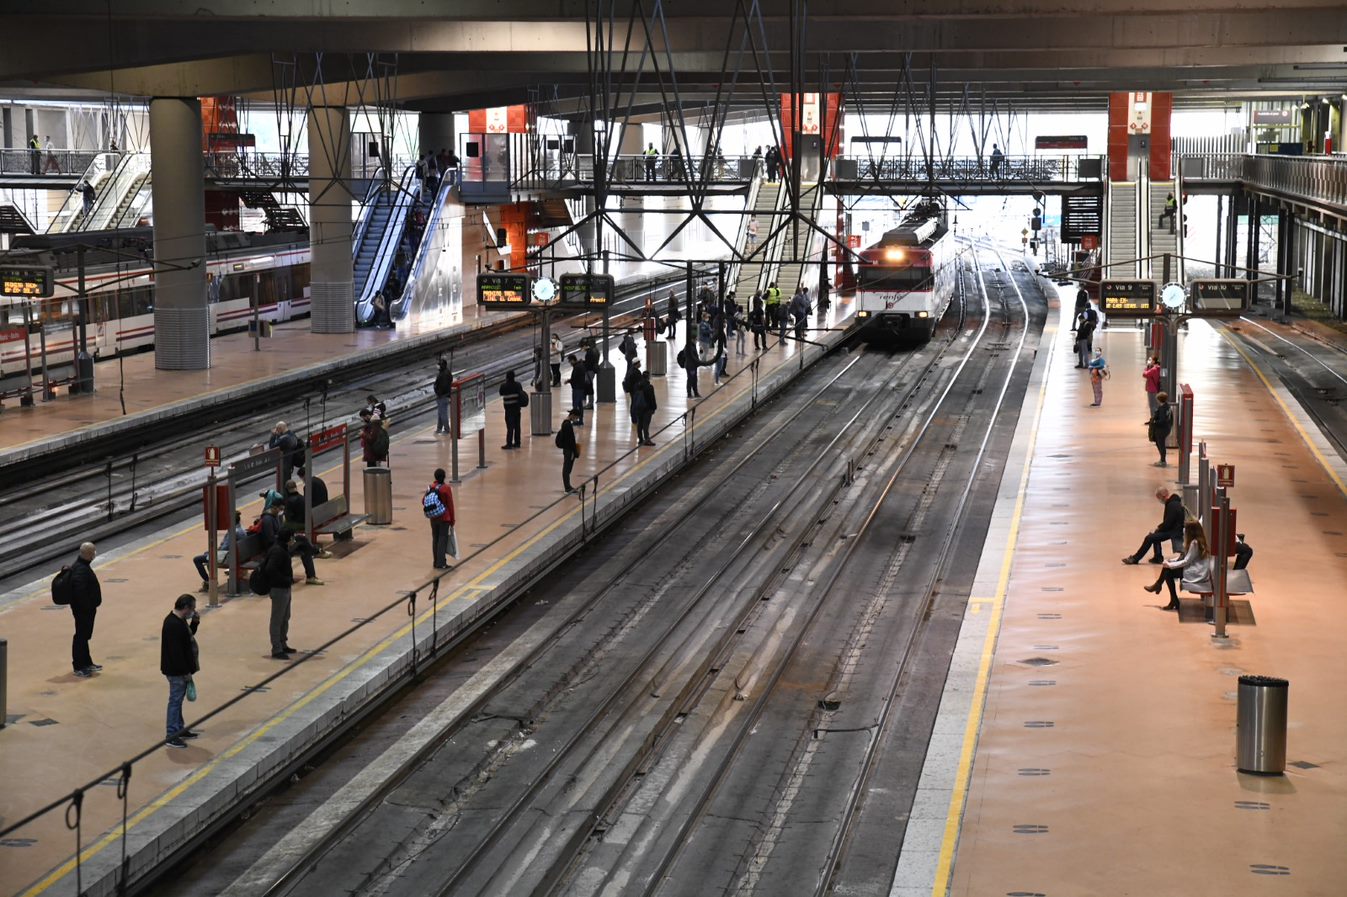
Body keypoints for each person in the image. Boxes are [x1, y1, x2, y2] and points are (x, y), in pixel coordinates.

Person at [161, 594, 201, 748]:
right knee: (175, 701)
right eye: (193, 608)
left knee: (178, 700)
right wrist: (186, 672)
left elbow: (187, 637)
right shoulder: (173, 625)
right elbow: (176, 653)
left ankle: (179, 729)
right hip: (176, 670)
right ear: (185, 608)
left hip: (179, 669)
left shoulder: (179, 621)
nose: (194, 611)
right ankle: (171, 734)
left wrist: (195, 623)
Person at [1144, 520, 1211, 611]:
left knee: (1168, 571)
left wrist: (1171, 565)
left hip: (1196, 573)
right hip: (1195, 569)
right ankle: (1170, 597)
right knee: (1167, 570)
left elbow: (1186, 561)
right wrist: (1171, 561)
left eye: (1186, 529)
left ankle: (1169, 596)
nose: (1184, 531)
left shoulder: (1194, 543)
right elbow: (1183, 557)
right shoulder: (1196, 541)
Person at [1122, 486, 1187, 565]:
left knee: (1149, 538)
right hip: (1174, 529)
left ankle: (1135, 558)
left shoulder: (1172, 505)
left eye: (1159, 498)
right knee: (1154, 535)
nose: (1159, 500)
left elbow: (1168, 523)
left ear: (1162, 496)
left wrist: (1158, 528)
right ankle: (1158, 557)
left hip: (1174, 531)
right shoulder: (1173, 502)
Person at [68, 542, 102, 678]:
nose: (94, 554)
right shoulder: (81, 569)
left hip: (85, 609)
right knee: (81, 637)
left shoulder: (82, 566)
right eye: (93, 552)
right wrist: (88, 606)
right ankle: (79, 666)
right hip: (83, 610)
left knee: (84, 636)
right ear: (88, 554)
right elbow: (79, 591)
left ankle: (87, 662)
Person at [264, 530, 299, 659]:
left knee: (285, 617)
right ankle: (276, 648)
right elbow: (270, 569)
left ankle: (283, 643)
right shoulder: (278, 551)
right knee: (277, 619)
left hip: (285, 588)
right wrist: (284, 579)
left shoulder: (282, 548)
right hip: (279, 589)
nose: (293, 540)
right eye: (292, 538)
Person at [194, 511, 245, 592]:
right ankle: (212, 580)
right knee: (206, 554)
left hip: (227, 557)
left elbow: (224, 547)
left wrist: (215, 550)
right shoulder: (241, 529)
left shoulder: (233, 532)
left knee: (197, 559)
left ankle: (209, 582)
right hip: (238, 555)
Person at [426, 468, 457, 569]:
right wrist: (452, 520)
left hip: (433, 518)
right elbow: (450, 505)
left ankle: (435, 562)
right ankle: (441, 563)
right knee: (442, 539)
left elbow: (423, 501)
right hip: (444, 518)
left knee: (435, 539)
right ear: (444, 477)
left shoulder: (430, 487)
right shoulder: (446, 488)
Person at [499, 370, 526, 449]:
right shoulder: (518, 385)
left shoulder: (503, 386)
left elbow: (501, 393)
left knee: (510, 427)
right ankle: (517, 443)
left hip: (508, 409)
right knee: (517, 426)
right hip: (517, 408)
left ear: (507, 377)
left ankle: (509, 443)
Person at [556, 409, 581, 493]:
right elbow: (570, 441)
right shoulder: (567, 425)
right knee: (567, 469)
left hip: (567, 449)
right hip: (569, 450)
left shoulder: (565, 423)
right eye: (576, 417)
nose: (576, 419)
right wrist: (575, 451)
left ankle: (568, 486)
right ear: (573, 415)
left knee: (567, 468)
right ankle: (567, 487)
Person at [1147, 391, 1173, 467]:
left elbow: (1162, 420)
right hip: (1167, 428)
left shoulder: (1162, 409)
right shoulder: (1167, 406)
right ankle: (1162, 459)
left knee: (1161, 445)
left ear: (1159, 400)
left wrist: (1154, 422)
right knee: (1159, 444)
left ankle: (1163, 460)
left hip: (1161, 430)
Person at [635, 371, 657, 445]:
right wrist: (654, 408)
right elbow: (652, 399)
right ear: (648, 377)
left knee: (639, 424)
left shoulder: (637, 386)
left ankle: (640, 439)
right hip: (647, 409)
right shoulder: (649, 387)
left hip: (638, 408)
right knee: (646, 424)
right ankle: (647, 439)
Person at [434, 358, 453, 434]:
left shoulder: (443, 374)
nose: (438, 366)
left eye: (439, 365)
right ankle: (439, 428)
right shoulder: (447, 372)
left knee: (443, 413)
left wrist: (439, 393)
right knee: (440, 413)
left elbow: (443, 386)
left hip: (442, 396)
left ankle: (447, 429)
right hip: (445, 395)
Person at [568, 355, 587, 424]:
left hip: (577, 388)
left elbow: (575, 378)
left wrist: (569, 381)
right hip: (580, 388)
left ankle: (574, 420)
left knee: (575, 405)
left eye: (570, 361)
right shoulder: (580, 365)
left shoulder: (577, 367)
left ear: (573, 360)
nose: (570, 363)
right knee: (580, 405)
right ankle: (580, 420)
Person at [583, 339, 600, 409]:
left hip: (589, 370)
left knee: (588, 386)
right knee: (589, 386)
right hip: (593, 370)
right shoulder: (596, 350)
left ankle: (590, 403)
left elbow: (588, 362)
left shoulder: (590, 352)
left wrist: (583, 364)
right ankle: (590, 402)